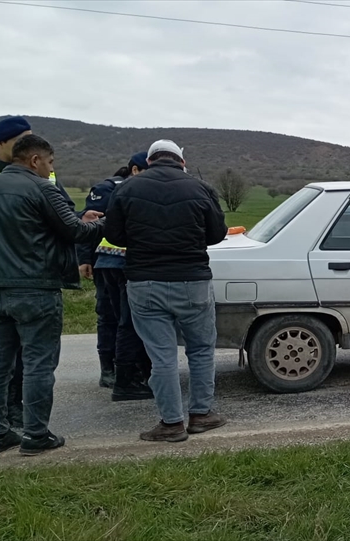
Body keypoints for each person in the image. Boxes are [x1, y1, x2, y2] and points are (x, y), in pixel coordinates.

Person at [0, 134, 104, 456]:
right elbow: (75, 231)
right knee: (38, 364)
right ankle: (36, 434)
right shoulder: (43, 189)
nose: (50, 169)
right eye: (50, 163)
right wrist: (107, 222)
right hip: (35, 289)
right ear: (34, 160)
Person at [105, 140, 228, 442]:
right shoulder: (200, 188)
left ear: (149, 161)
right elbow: (217, 233)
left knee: (161, 356)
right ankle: (202, 414)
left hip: (145, 282)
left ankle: (171, 423)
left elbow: (113, 234)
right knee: (200, 350)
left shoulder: (128, 188)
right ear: (181, 162)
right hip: (192, 280)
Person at [78, 152, 154, 401]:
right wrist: (85, 258)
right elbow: (88, 225)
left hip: (116, 261)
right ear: (134, 170)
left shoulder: (137, 187)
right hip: (111, 261)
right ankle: (110, 370)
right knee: (113, 317)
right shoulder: (107, 189)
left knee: (117, 318)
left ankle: (120, 370)